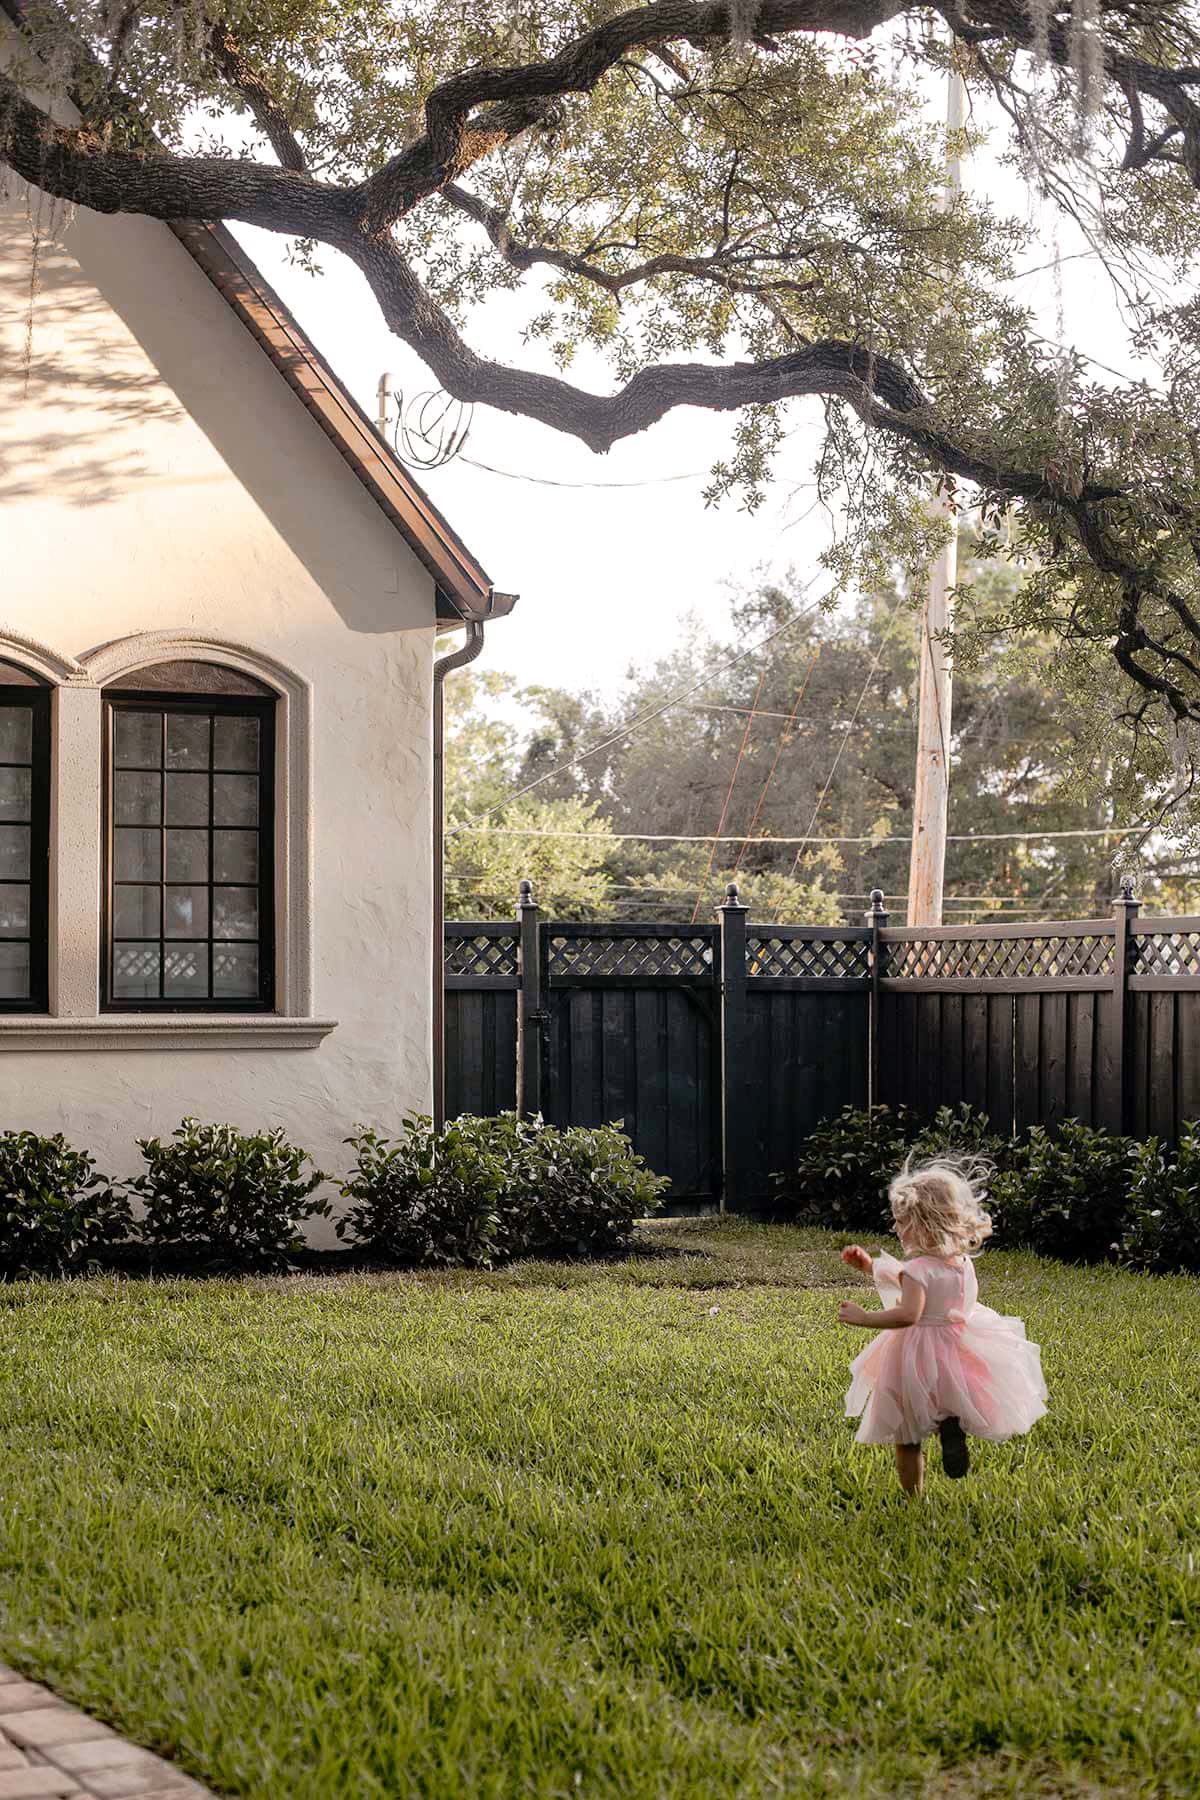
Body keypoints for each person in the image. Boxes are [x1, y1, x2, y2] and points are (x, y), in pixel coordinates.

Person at [837, 1157, 1048, 1495]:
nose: (896, 1228)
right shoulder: (959, 1262)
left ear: (921, 1224)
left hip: (916, 1348)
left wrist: (865, 1318)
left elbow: (908, 1313)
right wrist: (870, 1266)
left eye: (900, 1222)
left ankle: (912, 1498)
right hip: (957, 1343)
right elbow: (915, 1280)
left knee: (906, 1432)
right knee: (945, 1394)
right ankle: (950, 1423)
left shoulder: (919, 1270)